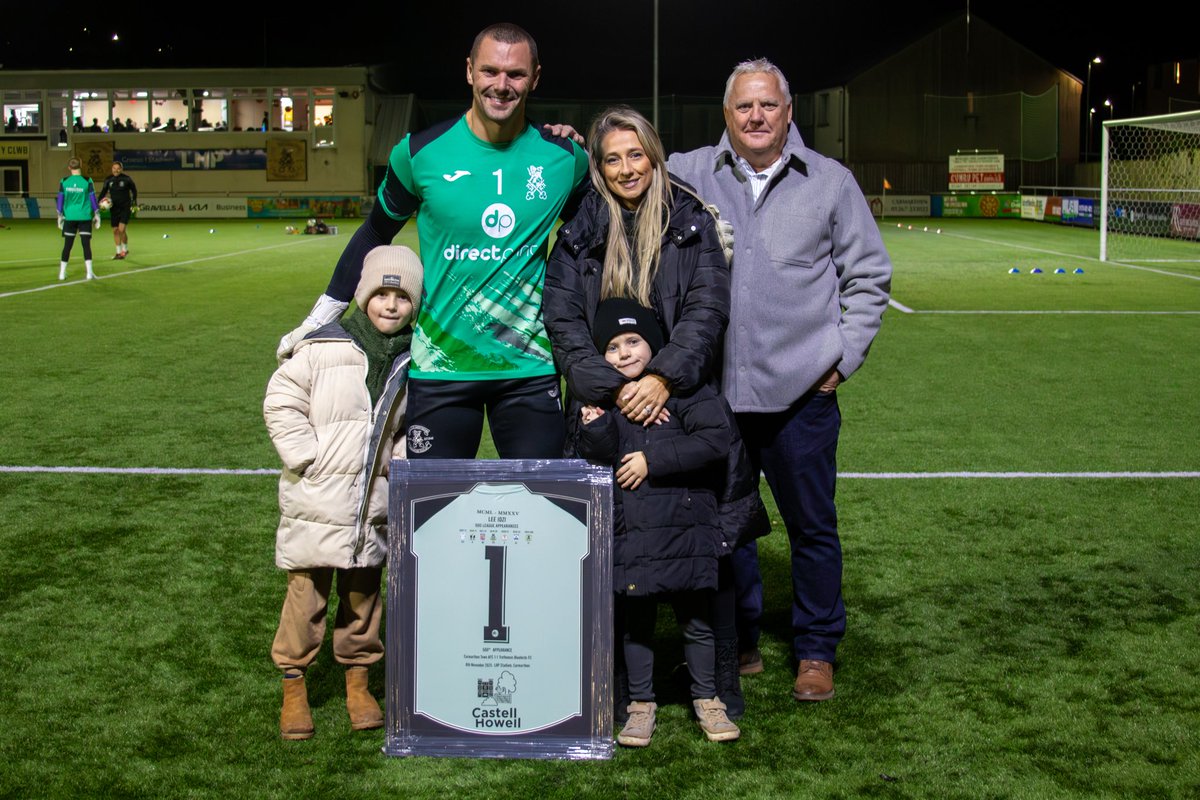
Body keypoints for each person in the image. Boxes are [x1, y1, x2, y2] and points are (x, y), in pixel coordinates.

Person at [667, 59, 892, 702]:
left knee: (812, 528)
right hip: (717, 395)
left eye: (768, 106)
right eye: (744, 108)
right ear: (726, 116)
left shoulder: (830, 182)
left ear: (788, 112)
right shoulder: (689, 174)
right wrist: (574, 144)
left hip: (801, 399)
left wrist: (842, 358)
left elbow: (869, 277)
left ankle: (817, 649)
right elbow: (623, 165)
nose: (756, 117)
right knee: (726, 528)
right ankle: (738, 643)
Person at [545, 106, 767, 722]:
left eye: (635, 154)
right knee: (610, 549)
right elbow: (562, 323)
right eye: (611, 158)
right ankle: (617, 692)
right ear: (598, 166)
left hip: (682, 400)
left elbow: (707, 309)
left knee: (707, 547)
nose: (625, 168)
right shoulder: (577, 229)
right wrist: (613, 387)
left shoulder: (691, 220)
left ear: (655, 154)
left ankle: (715, 686)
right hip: (606, 402)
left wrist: (663, 377)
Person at [277, 22, 589, 461]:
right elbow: (374, 233)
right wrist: (319, 317)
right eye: (490, 71)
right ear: (469, 72)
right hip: (441, 368)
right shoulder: (419, 153)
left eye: (516, 74)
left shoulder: (564, 159)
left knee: (539, 515)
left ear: (535, 77)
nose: (502, 85)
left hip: (529, 368)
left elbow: (597, 233)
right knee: (433, 514)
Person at [263, 245, 424, 741]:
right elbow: (281, 399)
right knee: (305, 598)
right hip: (317, 499)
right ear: (361, 296)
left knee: (363, 599)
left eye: (402, 297)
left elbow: (410, 428)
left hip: (372, 507)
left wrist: (401, 467)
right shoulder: (324, 346)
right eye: (381, 294)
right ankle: (295, 685)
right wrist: (306, 457)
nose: (391, 306)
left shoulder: (415, 359)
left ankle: (358, 683)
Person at [576, 299, 739, 746]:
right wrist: (594, 429)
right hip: (634, 533)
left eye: (633, 341)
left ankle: (708, 699)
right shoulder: (604, 399)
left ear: (654, 345)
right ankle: (640, 705)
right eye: (611, 347)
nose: (624, 353)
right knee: (637, 623)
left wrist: (654, 460)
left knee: (696, 621)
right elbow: (604, 460)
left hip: (686, 531)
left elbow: (715, 440)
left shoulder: (686, 391)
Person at [55, 157, 100, 281]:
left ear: (69, 168)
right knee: (86, 245)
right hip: (84, 217)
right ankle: (89, 273)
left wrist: (59, 216)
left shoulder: (64, 181)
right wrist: (97, 214)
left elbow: (60, 199)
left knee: (67, 246)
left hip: (69, 217)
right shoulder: (87, 180)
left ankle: (62, 273)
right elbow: (92, 198)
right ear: (81, 166)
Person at [97, 161, 138, 260]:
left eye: (118, 168)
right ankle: (118, 252)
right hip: (114, 208)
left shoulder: (127, 179)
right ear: (112, 169)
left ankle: (125, 249)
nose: (116, 170)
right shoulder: (108, 180)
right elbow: (103, 192)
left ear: (121, 169)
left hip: (125, 207)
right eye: (114, 168)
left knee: (121, 229)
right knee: (115, 231)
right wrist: (97, 202)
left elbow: (134, 190)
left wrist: (133, 202)